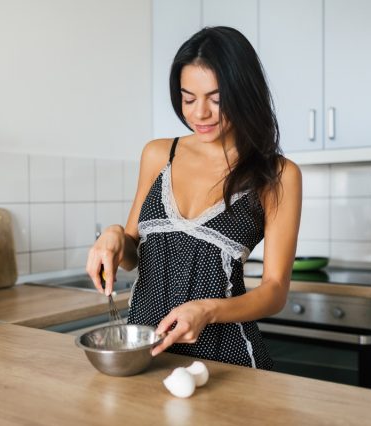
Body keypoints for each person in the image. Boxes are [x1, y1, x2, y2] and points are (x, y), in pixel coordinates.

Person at [86, 26, 302, 370]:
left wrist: (207, 309)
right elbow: (130, 254)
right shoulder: (159, 155)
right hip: (149, 352)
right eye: (188, 98)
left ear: (244, 93)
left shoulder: (277, 174)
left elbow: (275, 291)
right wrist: (113, 236)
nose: (199, 113)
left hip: (228, 361)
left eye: (216, 99)